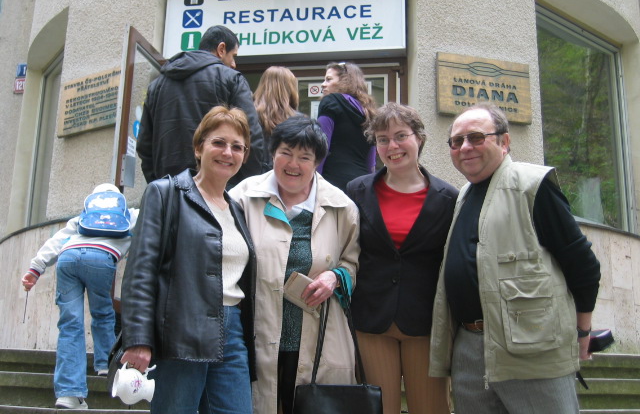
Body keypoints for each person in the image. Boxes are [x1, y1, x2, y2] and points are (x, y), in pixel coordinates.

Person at [430, 103, 601, 414]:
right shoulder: (463, 195)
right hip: (469, 348)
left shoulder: (532, 186)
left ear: (504, 141)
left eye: (476, 137)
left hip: (531, 348)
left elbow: (582, 263)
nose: (465, 147)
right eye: (457, 141)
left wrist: (583, 331)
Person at [121, 106, 257, 414]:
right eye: (218, 142)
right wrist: (138, 338)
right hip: (181, 329)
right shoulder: (165, 193)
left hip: (232, 332)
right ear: (199, 147)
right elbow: (141, 271)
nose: (228, 152)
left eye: (237, 147)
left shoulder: (237, 209)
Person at [229, 116, 360, 414]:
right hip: (256, 334)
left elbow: (352, 263)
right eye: (286, 153)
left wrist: (335, 277)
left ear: (317, 162)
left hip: (318, 338)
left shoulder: (342, 207)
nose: (293, 164)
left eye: (305, 157)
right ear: (272, 153)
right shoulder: (243, 198)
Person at [345, 103, 458, 414]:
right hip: (372, 319)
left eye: (400, 136)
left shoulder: (448, 198)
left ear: (418, 138)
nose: (392, 146)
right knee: (379, 409)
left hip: (425, 322)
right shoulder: (356, 191)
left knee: (432, 408)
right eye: (382, 139)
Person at [21, 184, 139, 410]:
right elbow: (155, 217)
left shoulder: (83, 216)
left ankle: (69, 394)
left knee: (69, 324)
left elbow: (57, 240)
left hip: (68, 258)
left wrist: (36, 268)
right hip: (101, 259)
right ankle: (105, 365)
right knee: (102, 313)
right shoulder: (129, 214)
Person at [136, 24, 264, 187]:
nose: (234, 64)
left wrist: (159, 185)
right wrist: (242, 187)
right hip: (217, 189)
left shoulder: (157, 86)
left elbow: (145, 146)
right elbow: (251, 136)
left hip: (169, 188)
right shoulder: (231, 79)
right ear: (221, 49)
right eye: (233, 56)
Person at [317, 61, 377, 191]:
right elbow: (371, 162)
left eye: (328, 79)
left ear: (344, 81)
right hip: (361, 184)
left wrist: (314, 182)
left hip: (333, 183)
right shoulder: (368, 112)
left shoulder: (331, 101)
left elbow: (321, 146)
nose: (323, 84)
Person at [253, 65, 301, 171]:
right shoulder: (299, 121)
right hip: (287, 175)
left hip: (251, 175)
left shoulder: (249, 116)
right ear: (291, 88)